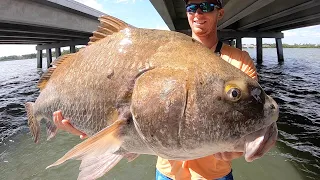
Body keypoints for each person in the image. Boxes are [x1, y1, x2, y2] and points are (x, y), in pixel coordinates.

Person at [52, 0, 259, 179]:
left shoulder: (240, 62)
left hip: (214, 175)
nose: (198, 14)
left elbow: (251, 117)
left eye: (206, 7)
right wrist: (90, 130)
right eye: (192, 7)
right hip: (167, 173)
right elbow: (129, 121)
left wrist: (239, 148)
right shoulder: (166, 52)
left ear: (219, 12)